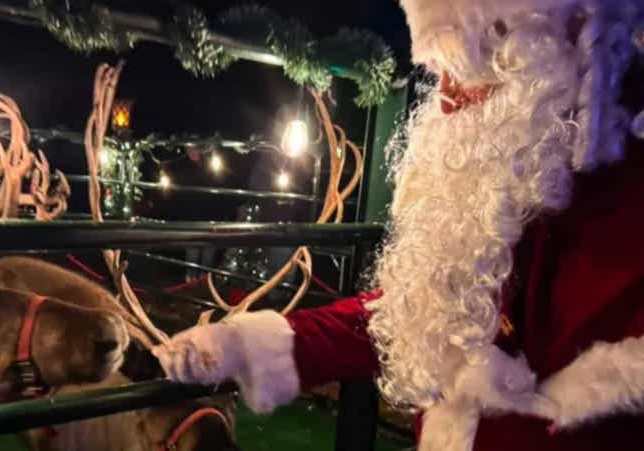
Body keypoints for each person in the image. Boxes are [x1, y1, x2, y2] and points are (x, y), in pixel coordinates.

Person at [151, 0, 644, 450]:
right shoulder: (512, 176)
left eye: (464, 72)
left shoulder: (618, 209)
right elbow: (410, 315)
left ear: (541, 71)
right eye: (440, 70)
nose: (445, 99)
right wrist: (244, 344)